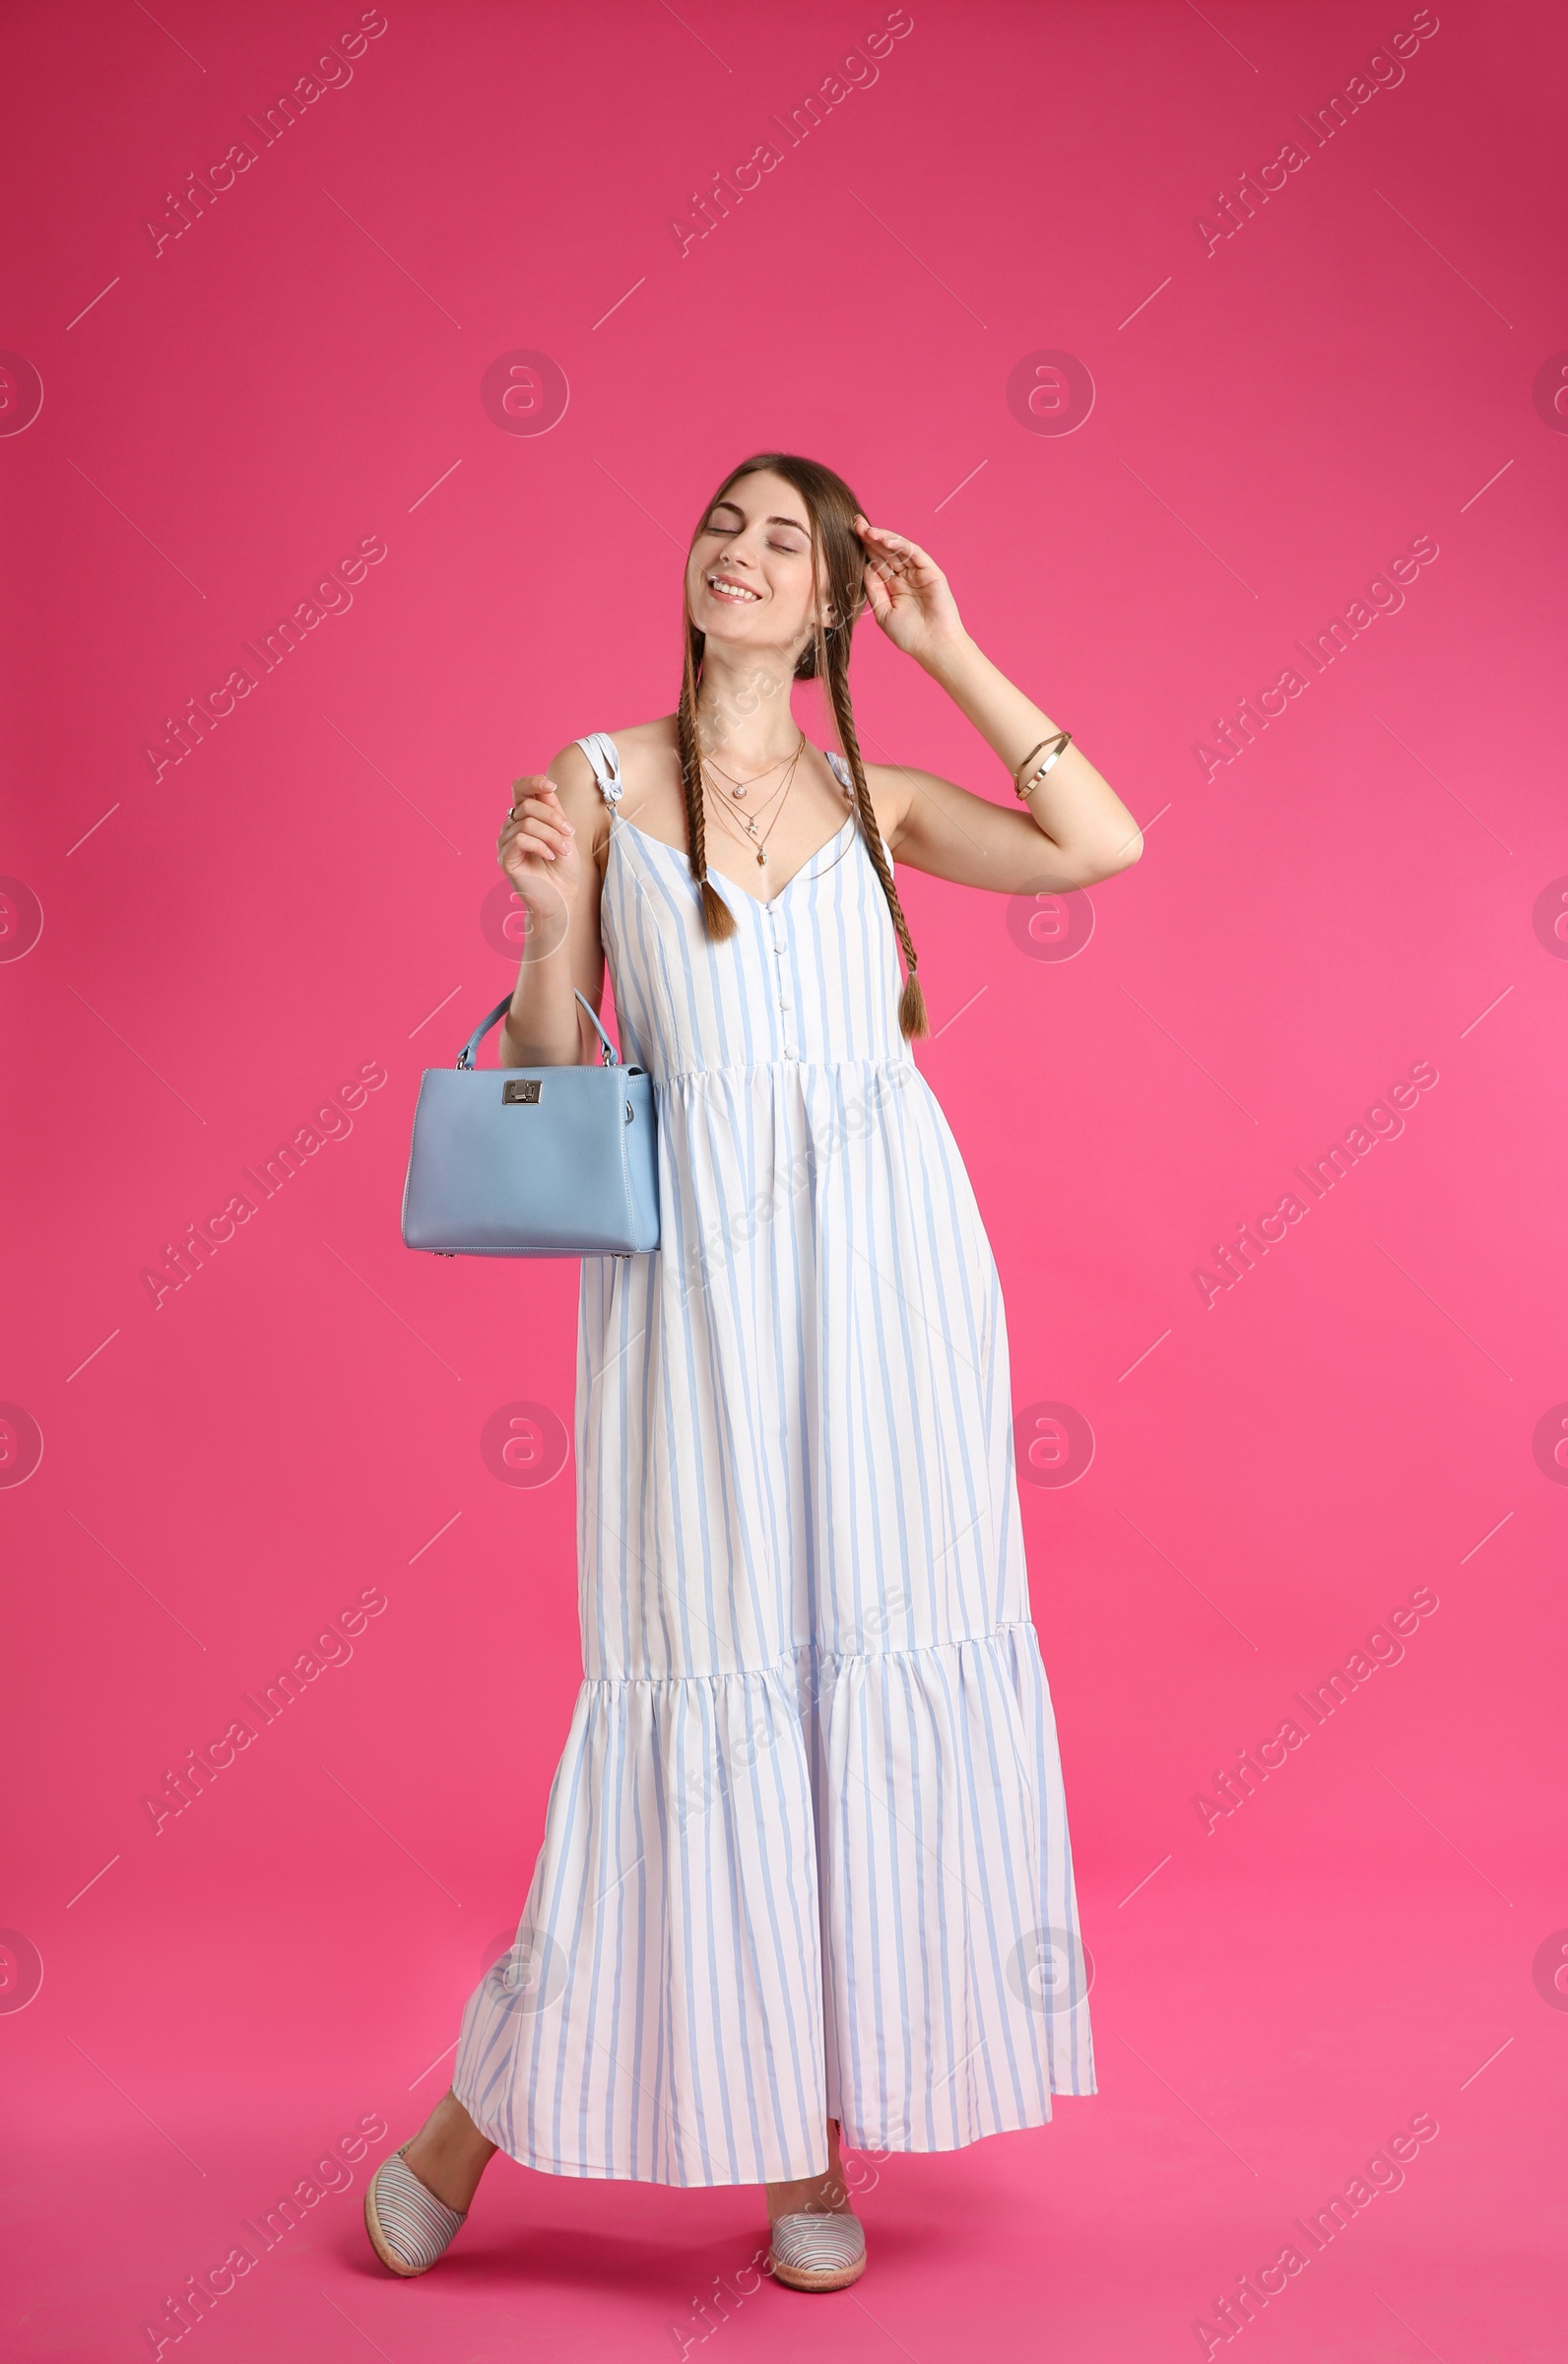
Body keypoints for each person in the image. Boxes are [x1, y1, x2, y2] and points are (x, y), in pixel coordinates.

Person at [364, 452, 1143, 2294]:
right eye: (723, 521)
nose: (740, 550)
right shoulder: (603, 775)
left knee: (856, 1673)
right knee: (702, 1697)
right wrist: (549, 925)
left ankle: (808, 2154)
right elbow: (562, 1061)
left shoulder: (874, 793)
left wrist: (955, 651)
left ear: (831, 605)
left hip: (892, 1295)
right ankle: (477, 2121)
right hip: (693, 1296)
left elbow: (1101, 841)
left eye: (789, 541)